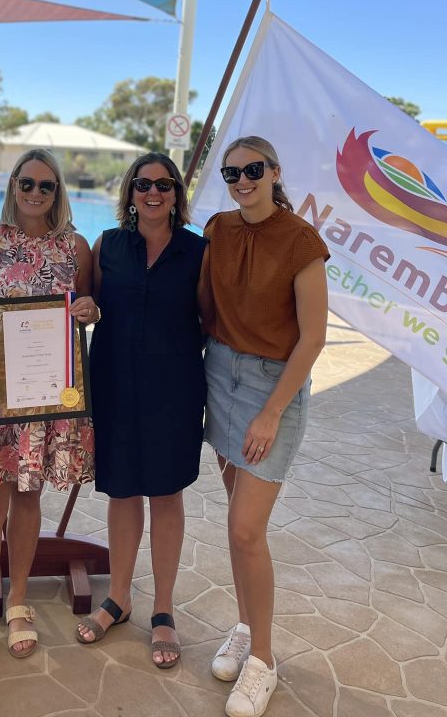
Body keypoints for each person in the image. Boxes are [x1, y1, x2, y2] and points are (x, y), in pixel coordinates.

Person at [0, 148, 97, 666]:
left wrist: (89, 308)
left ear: (58, 193)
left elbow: (89, 307)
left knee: (29, 501)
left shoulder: (75, 248)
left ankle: (17, 603)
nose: (35, 194)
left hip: (45, 398)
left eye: (47, 186)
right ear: (13, 185)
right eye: (27, 183)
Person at [198, 136, 328, 717]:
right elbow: (201, 305)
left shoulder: (302, 241)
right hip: (220, 372)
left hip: (272, 386)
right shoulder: (218, 230)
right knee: (235, 523)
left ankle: (264, 662)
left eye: (253, 170)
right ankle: (247, 629)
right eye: (232, 172)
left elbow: (314, 337)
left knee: (248, 530)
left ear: (275, 171)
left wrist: (272, 410)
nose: (242, 180)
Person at [75, 152, 207, 669]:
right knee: (123, 490)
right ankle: (120, 597)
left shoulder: (199, 252)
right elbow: (88, 303)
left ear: (177, 195)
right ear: (130, 193)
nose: (153, 192)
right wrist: (84, 310)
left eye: (164, 184)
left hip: (174, 389)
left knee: (166, 493)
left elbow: (211, 319)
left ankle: (165, 610)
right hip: (114, 384)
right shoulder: (107, 245)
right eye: (143, 184)